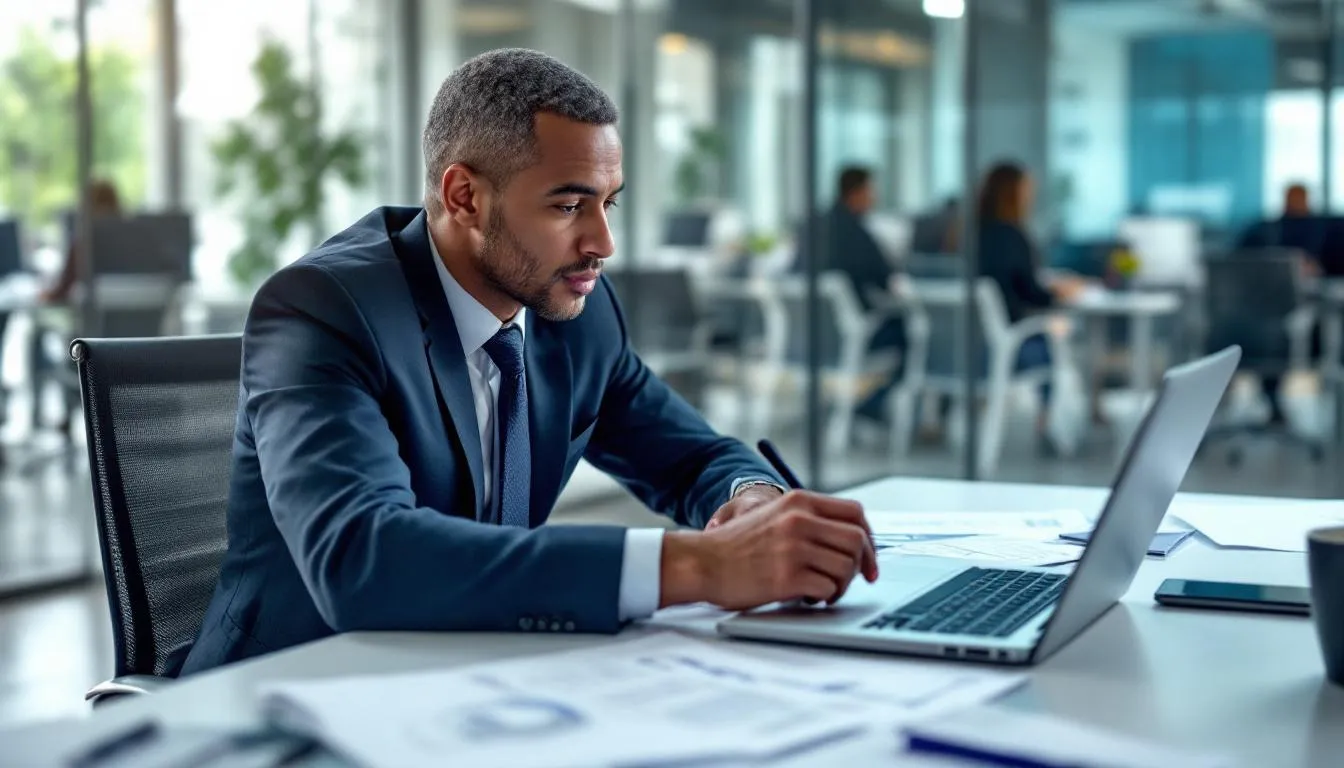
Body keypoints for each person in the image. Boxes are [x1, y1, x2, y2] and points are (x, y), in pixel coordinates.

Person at [180, 49, 877, 675]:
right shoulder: (324, 310)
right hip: (293, 692)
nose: (602, 243)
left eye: (608, 203)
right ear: (465, 197)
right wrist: (696, 565)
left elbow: (692, 458)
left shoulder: (576, 312)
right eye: (570, 204)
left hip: (477, 672)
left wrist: (746, 502)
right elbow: (362, 557)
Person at [976, 161, 1086, 446]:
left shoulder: (970, 235)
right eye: (1027, 189)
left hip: (971, 347)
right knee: (1053, 338)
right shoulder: (1011, 236)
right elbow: (1029, 293)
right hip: (1008, 345)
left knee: (1049, 333)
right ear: (1013, 193)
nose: (1031, 195)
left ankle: (1053, 419)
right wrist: (1060, 292)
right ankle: (1049, 421)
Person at [812, 166, 906, 428]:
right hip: (851, 336)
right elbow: (885, 276)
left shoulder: (814, 227)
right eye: (871, 191)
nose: (874, 198)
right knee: (914, 333)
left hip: (813, 336)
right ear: (857, 193)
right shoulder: (855, 232)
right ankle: (872, 406)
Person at [41, 179, 122, 304]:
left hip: (93, 321)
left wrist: (41, 294)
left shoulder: (85, 241)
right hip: (139, 320)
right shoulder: (133, 240)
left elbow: (61, 292)